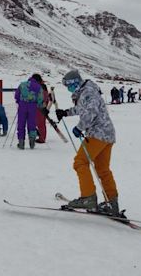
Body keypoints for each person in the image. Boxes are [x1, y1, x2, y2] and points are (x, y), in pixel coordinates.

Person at [55, 69, 120, 215]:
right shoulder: (86, 91)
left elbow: (91, 111)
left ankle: (88, 197)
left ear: (75, 82)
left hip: (98, 133)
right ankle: (112, 202)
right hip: (107, 134)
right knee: (103, 169)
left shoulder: (88, 91)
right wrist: (66, 112)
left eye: (69, 85)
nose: (68, 88)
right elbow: (82, 108)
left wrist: (79, 127)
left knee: (80, 162)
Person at [15, 74, 44, 149]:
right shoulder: (38, 87)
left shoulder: (22, 84)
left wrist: (19, 102)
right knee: (32, 124)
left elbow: (17, 95)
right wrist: (40, 105)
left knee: (21, 123)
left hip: (22, 106)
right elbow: (40, 98)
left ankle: (21, 142)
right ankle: (32, 142)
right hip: (32, 106)